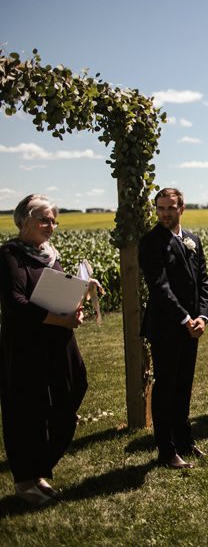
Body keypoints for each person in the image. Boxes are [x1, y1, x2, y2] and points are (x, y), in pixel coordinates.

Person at [0, 194, 89, 506]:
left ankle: (39, 466)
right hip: (27, 344)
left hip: (59, 340)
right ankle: (27, 480)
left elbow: (60, 290)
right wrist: (58, 320)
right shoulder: (10, 255)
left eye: (54, 220)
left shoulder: (50, 253)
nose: (51, 225)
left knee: (74, 387)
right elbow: (16, 303)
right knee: (28, 410)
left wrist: (75, 309)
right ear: (24, 221)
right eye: (44, 219)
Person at [139, 188, 208, 470]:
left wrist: (202, 317)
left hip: (193, 326)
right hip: (167, 327)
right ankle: (166, 450)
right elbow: (159, 287)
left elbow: (203, 281)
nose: (165, 213)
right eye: (160, 208)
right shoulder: (151, 242)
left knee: (184, 386)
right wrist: (185, 319)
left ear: (182, 208)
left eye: (170, 208)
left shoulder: (192, 239)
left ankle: (184, 440)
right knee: (166, 388)